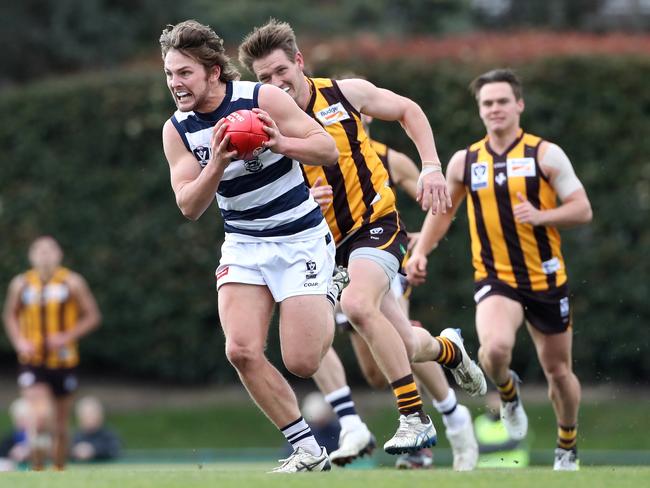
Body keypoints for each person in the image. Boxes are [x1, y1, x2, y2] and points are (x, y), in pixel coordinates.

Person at [239, 18, 486, 462]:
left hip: (376, 225)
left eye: (281, 72)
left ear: (298, 62)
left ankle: (415, 417)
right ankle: (450, 350)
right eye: (264, 79)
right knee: (406, 346)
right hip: (322, 246)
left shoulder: (343, 93)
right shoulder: (257, 126)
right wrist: (301, 198)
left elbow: (409, 109)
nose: (276, 83)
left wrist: (431, 166)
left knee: (356, 304)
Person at [159, 20, 340, 473]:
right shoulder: (177, 130)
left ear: (214, 72)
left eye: (184, 73)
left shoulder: (263, 99)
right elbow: (189, 206)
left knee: (301, 361)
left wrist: (280, 141)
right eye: (169, 74)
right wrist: (216, 163)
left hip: (299, 239)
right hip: (244, 244)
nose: (175, 84)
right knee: (240, 350)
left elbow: (326, 149)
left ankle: (331, 286)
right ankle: (307, 450)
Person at [407, 68, 593, 471]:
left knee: (559, 372)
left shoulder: (544, 154)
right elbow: (444, 211)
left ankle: (567, 444)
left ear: (519, 105)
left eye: (502, 101)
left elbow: (582, 208)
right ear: (480, 109)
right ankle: (508, 394)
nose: (495, 109)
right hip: (496, 277)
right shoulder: (466, 161)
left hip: (545, 279)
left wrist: (542, 216)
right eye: (487, 103)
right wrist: (421, 250)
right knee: (492, 351)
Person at [2, 235, 101, 471]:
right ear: (31, 256)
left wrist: (66, 337)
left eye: (50, 250)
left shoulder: (73, 282)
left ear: (59, 254)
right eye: (39, 250)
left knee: (60, 426)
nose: (44, 254)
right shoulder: (21, 284)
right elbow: (10, 316)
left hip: (64, 362)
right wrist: (19, 342)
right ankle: (37, 468)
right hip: (32, 362)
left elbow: (93, 316)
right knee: (41, 416)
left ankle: (58, 470)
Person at [474, 391, 529, 468]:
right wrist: (502, 446)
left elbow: (514, 443)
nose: (495, 404)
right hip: (486, 469)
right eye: (492, 400)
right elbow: (474, 448)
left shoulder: (514, 420)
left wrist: (487, 448)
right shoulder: (479, 422)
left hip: (513, 468)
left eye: (497, 400)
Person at [70, 396, 121, 462]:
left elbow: (114, 449)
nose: (89, 418)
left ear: (100, 415)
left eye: (92, 414)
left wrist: (93, 450)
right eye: (86, 415)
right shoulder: (74, 436)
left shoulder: (109, 435)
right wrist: (75, 451)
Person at [0, 398, 31, 471]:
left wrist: (28, 451)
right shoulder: (10, 436)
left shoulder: (39, 433)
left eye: (24, 418)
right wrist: (11, 453)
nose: (20, 422)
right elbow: (3, 454)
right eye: (17, 419)